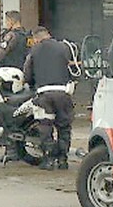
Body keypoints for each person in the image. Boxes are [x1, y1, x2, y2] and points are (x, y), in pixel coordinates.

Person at [22, 26, 74, 170]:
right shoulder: (63, 47)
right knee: (64, 127)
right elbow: (71, 68)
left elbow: (27, 73)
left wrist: (31, 84)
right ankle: (63, 160)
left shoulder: (34, 50)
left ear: (36, 38)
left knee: (45, 127)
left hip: (44, 95)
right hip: (63, 93)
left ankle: (49, 160)